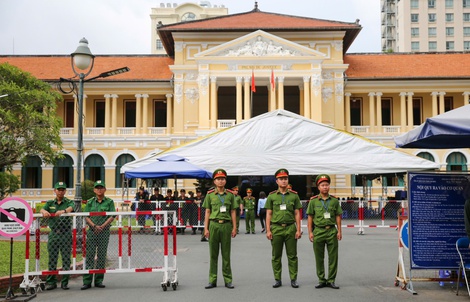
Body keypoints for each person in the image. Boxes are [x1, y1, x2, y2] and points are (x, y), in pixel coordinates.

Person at [265, 168, 302, 289]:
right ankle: (277, 279)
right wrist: (268, 230)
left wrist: (298, 229)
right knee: (276, 256)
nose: (284, 181)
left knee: (292, 255)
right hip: (276, 228)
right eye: (281, 179)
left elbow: (297, 213)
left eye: (285, 178)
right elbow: (269, 214)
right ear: (276, 181)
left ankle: (293, 279)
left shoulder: (294, 196)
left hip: (290, 227)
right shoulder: (271, 197)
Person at [203, 169, 238, 289]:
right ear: (214, 181)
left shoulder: (230, 195)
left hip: (226, 226)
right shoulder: (210, 195)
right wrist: (205, 228)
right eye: (218, 179)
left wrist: (234, 227)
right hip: (214, 225)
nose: (220, 181)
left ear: (225, 180)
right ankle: (212, 280)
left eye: (222, 179)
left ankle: (228, 280)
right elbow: (207, 212)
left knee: (226, 254)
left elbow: (233, 211)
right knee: (213, 254)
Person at [307, 174, 343, 290]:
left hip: (331, 230)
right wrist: (310, 232)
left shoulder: (334, 201)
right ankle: (321, 279)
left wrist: (339, 231)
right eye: (322, 185)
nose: (325, 187)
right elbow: (310, 218)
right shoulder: (313, 202)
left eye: (327, 185)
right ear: (318, 187)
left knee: (333, 257)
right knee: (319, 257)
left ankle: (331, 280)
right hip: (318, 231)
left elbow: (338, 216)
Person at [81, 180, 116, 290]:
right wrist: (94, 226)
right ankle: (87, 281)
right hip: (92, 232)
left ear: (105, 189)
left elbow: (112, 215)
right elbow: (86, 216)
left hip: (104, 232)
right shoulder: (90, 202)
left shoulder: (109, 202)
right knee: (90, 256)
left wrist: (102, 226)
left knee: (101, 256)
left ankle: (99, 280)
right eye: (97, 188)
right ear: (94, 190)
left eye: (101, 188)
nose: (99, 189)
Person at [40, 182, 74, 290]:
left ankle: (65, 282)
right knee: (52, 258)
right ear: (55, 190)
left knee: (66, 259)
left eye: (62, 190)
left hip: (65, 233)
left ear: (65, 191)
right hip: (54, 233)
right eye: (58, 189)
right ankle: (51, 282)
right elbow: (41, 209)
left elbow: (72, 207)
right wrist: (44, 211)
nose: (60, 191)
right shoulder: (50, 203)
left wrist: (63, 211)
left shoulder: (68, 202)